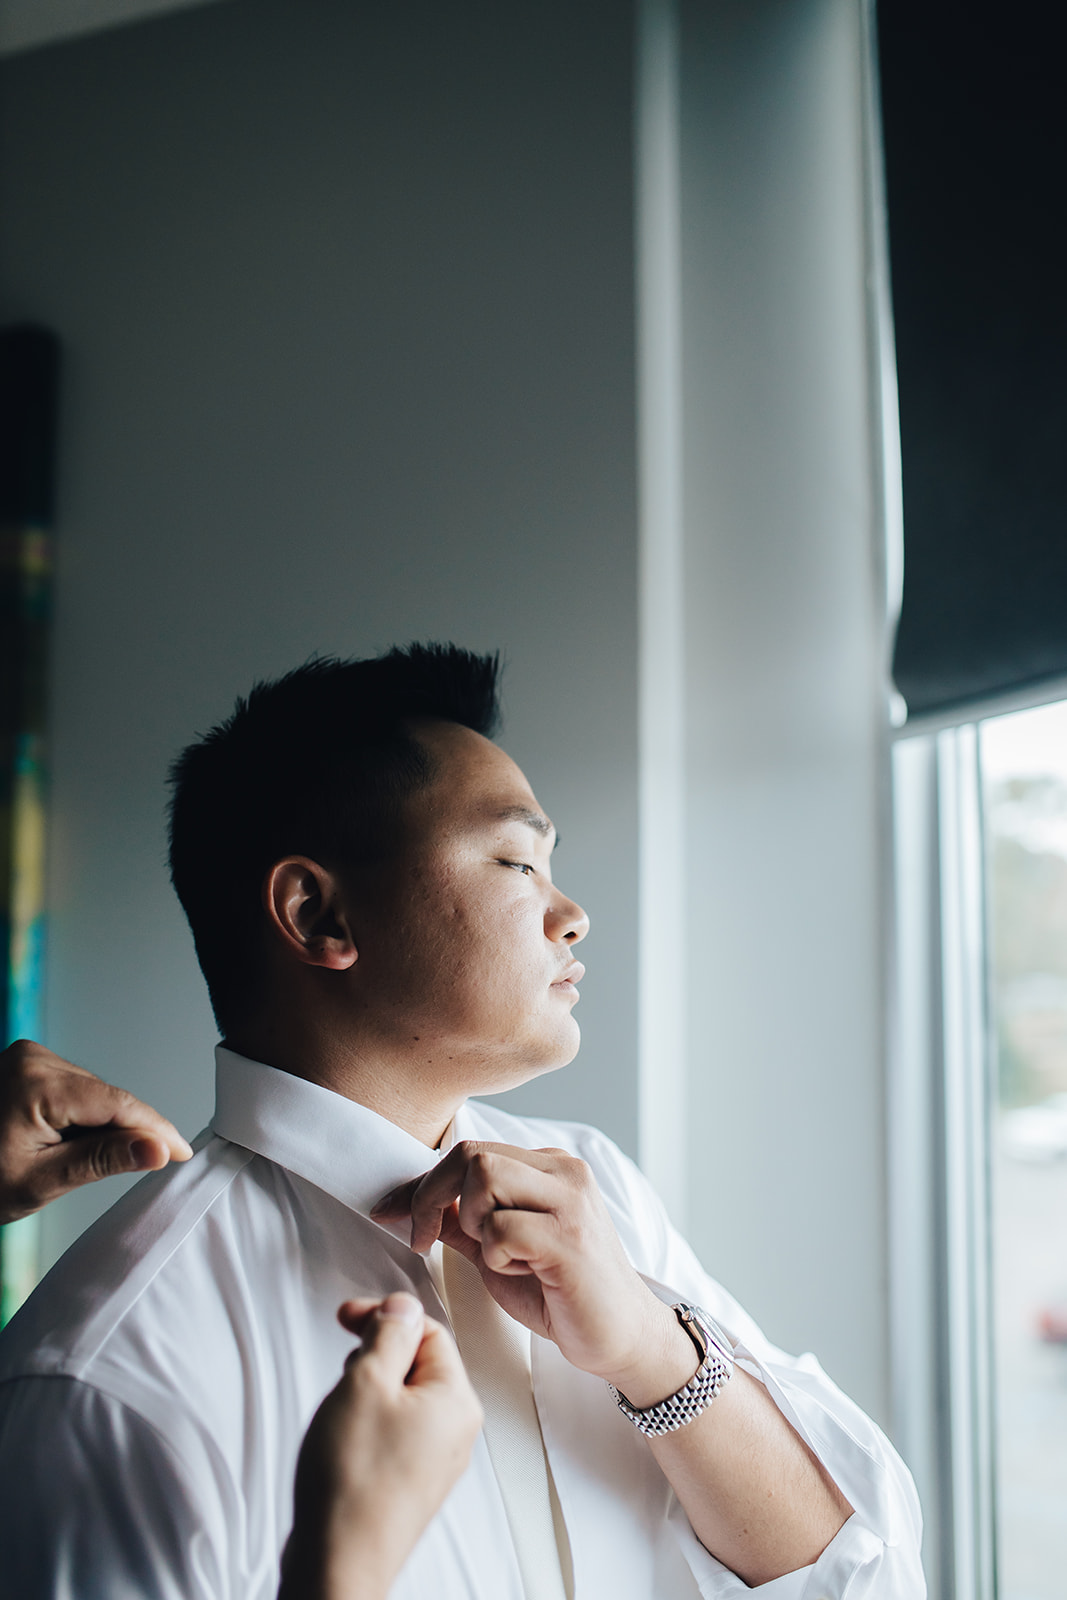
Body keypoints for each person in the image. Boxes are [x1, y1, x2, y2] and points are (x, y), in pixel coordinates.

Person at [0, 644, 925, 1597]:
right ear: (318, 915)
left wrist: (649, 1351)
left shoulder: (588, 1185)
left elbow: (866, 1579)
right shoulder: (108, 1370)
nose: (571, 915)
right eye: (517, 860)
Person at [0, 1039, 483, 1600]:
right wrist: (346, 1573)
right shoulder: (100, 1384)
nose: (571, 941)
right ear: (318, 941)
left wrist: (617, 1362)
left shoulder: (596, 1192)